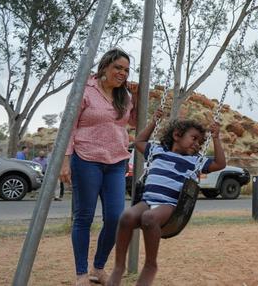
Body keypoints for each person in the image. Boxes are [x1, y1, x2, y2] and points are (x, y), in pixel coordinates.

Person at [107, 111, 227, 286]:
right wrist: (153, 122)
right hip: (147, 201)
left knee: (149, 218)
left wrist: (216, 138)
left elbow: (220, 163)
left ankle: (150, 265)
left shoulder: (195, 161)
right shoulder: (157, 151)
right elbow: (139, 142)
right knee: (126, 217)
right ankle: (119, 267)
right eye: (194, 138)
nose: (197, 144)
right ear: (177, 135)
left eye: (201, 142)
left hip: (170, 206)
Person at [59, 48, 138, 286]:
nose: (122, 73)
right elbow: (69, 126)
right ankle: (81, 274)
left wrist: (139, 95)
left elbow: (131, 122)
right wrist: (65, 160)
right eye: (118, 68)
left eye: (126, 70)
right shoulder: (85, 90)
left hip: (116, 161)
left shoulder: (124, 96)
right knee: (84, 217)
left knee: (116, 217)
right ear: (104, 67)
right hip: (86, 159)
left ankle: (98, 268)